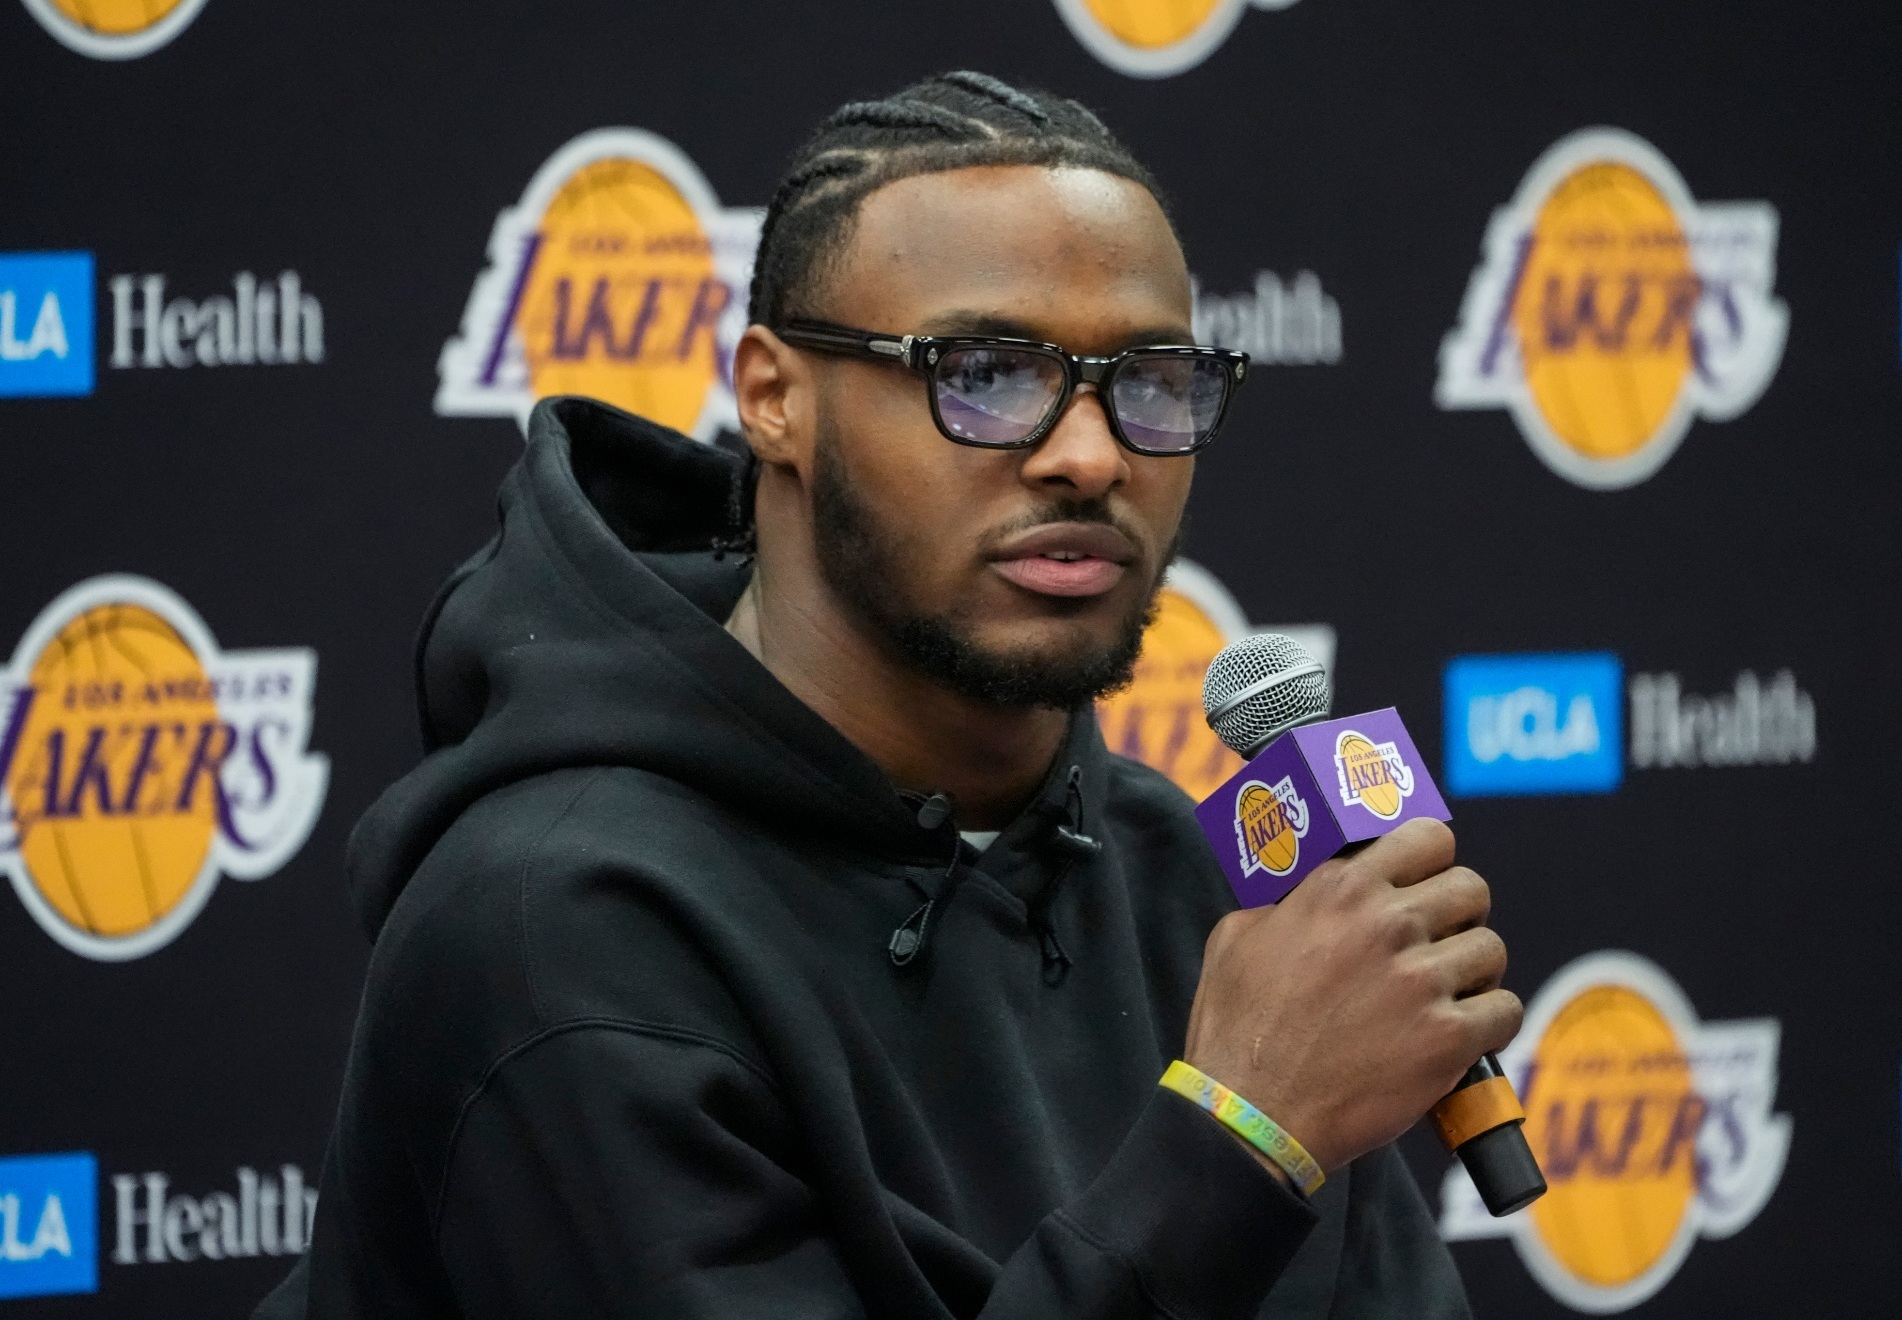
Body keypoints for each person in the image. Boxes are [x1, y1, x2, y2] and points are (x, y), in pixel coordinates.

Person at [260, 70, 1521, 1319]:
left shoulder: (1191, 886)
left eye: (1152, 382)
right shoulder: (555, 926)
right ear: (773, 399)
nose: (1089, 455)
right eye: (983, 373)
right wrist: (1243, 1139)